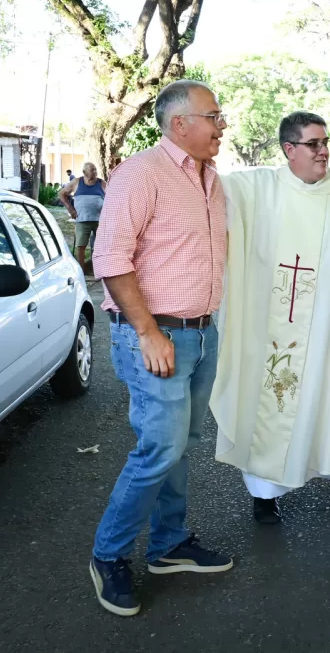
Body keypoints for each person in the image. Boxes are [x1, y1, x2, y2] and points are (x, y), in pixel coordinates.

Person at [88, 79, 232, 618]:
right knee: (158, 450)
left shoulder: (210, 178)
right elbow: (110, 258)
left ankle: (169, 545)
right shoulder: (142, 173)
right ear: (180, 124)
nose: (221, 125)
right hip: (157, 336)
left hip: (200, 332)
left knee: (180, 442)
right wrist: (149, 332)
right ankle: (109, 555)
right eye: (213, 116)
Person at [210, 112, 330, 525]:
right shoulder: (255, 190)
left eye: (325, 142)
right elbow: (201, 188)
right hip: (269, 327)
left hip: (326, 331)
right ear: (289, 149)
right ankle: (264, 495)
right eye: (313, 144)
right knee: (268, 403)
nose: (323, 151)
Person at [59, 162, 106, 271]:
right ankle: (81, 270)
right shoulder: (76, 182)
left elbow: (111, 196)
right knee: (81, 246)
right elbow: (61, 194)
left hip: (100, 220)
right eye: (92, 170)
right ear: (84, 172)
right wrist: (70, 209)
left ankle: (98, 269)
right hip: (82, 219)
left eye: (95, 169)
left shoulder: (101, 183)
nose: (95, 172)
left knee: (100, 246)